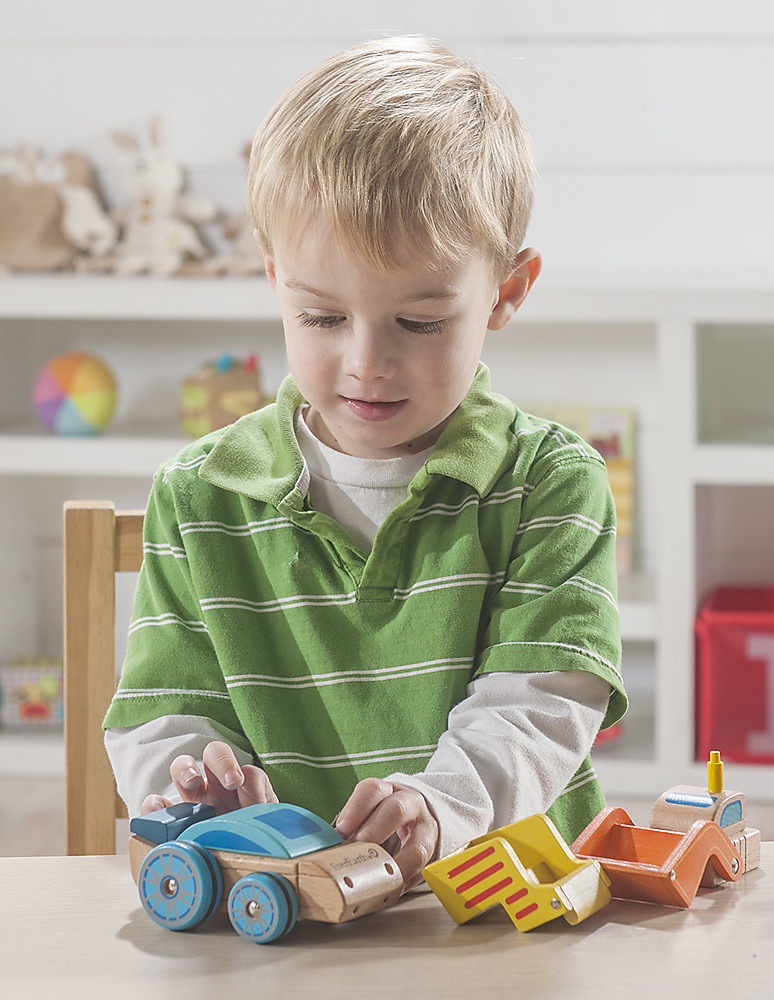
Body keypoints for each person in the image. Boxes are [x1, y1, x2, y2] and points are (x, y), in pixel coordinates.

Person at [104, 35, 627, 890]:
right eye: (320, 317)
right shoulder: (199, 497)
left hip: (498, 915)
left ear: (505, 293)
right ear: (275, 281)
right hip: (283, 908)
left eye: (418, 323)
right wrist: (194, 787)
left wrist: (438, 805)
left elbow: (541, 707)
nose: (366, 362)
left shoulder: (548, 483)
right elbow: (167, 711)